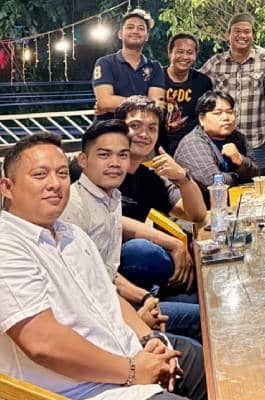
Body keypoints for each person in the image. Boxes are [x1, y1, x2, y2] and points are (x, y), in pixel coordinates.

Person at [0, 132, 206, 400]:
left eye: (62, 174)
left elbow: (108, 296)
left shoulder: (72, 234)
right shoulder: (8, 245)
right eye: (40, 175)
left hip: (129, 353)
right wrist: (132, 371)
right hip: (89, 389)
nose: (55, 184)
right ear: (7, 187)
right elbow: (42, 341)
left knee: (205, 362)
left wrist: (148, 339)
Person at [61, 120, 201, 342]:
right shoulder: (74, 205)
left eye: (122, 155)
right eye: (104, 155)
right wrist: (138, 314)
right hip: (100, 322)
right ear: (83, 160)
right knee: (201, 325)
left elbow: (197, 214)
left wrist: (183, 177)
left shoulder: (113, 197)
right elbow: (86, 285)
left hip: (121, 298)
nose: (115, 163)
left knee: (201, 302)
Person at [114, 96, 207, 297]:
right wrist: (173, 244)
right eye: (135, 125)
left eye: (152, 128)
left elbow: (197, 215)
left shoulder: (149, 178)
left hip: (144, 283)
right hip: (112, 273)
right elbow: (109, 219)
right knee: (141, 250)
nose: (144, 134)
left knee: (200, 296)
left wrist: (183, 178)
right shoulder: (101, 170)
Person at [200, 13, 265, 172]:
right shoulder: (216, 63)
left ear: (253, 36)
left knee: (260, 182)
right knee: (226, 183)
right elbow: (194, 83)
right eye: (237, 31)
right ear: (227, 35)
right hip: (223, 143)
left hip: (256, 141)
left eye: (247, 31)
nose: (242, 35)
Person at [175, 90, 259, 204]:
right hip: (203, 209)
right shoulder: (192, 143)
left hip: (238, 203)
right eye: (217, 113)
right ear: (202, 119)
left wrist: (240, 160)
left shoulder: (237, 137)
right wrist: (239, 176)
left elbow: (256, 174)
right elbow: (213, 181)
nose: (226, 117)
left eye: (229, 112)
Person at [92, 9, 165, 120]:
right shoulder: (105, 63)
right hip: (109, 127)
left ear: (147, 36)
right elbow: (105, 102)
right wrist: (146, 102)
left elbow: (157, 106)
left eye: (141, 28)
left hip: (141, 128)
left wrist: (115, 104)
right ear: (120, 34)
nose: (135, 31)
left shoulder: (155, 67)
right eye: (130, 27)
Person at [163, 33, 213, 155]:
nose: (184, 57)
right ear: (170, 53)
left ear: (195, 55)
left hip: (191, 147)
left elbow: (206, 116)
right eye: (180, 52)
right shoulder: (156, 77)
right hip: (157, 144)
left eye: (190, 53)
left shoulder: (203, 82)